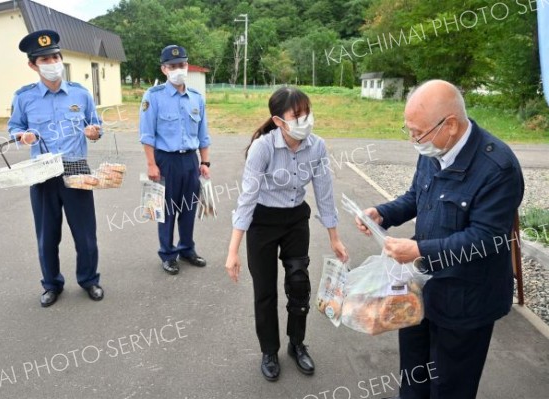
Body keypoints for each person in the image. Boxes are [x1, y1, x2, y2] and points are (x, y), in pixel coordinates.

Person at [355, 80, 524, 399]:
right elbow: (416, 195)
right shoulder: (434, 148)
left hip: (467, 301)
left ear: (450, 125)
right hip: (421, 289)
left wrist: (419, 249)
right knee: (413, 378)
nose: (413, 139)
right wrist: (382, 213)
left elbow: (485, 240)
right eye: (409, 130)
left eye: (417, 132)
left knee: (449, 386)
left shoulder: (498, 168)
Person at [225, 87, 349, 382]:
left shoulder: (316, 146)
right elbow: (246, 200)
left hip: (295, 219)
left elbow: (324, 193)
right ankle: (269, 350)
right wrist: (232, 251)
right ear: (279, 121)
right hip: (263, 222)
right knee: (265, 291)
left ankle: (296, 343)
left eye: (307, 112)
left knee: (298, 284)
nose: (305, 119)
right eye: (297, 115)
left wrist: (335, 237)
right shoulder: (263, 147)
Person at [8, 30, 104, 307]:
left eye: (54, 57)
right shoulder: (24, 97)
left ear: (61, 58)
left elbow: (96, 126)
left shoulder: (80, 93)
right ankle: (51, 284)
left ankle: (89, 280)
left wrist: (94, 132)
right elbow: (14, 127)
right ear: (32, 65)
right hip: (42, 172)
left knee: (85, 233)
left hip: (76, 167)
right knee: (47, 235)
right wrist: (22, 136)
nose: (51, 62)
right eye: (44, 59)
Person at [139, 45, 211, 275]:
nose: (178, 69)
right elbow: (147, 134)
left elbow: (203, 135)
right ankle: (168, 254)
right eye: (173, 66)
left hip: (190, 161)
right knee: (167, 210)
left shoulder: (196, 99)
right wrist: (151, 164)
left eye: (182, 65)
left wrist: (205, 162)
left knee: (188, 209)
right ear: (164, 69)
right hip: (165, 161)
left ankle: (187, 249)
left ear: (187, 66)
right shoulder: (154, 97)